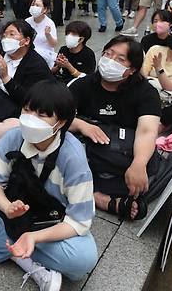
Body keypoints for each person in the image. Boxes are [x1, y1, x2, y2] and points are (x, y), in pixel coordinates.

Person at [0, 81, 98, 291]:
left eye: (42, 115)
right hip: (14, 206)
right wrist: (6, 207)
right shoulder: (13, 137)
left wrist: (33, 237)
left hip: (49, 220)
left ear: (60, 122)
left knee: (84, 260)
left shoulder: (74, 159)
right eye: (27, 110)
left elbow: (78, 221)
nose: (31, 119)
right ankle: (24, 261)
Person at [69, 36, 161, 220]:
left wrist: (138, 163)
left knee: (148, 169)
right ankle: (99, 198)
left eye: (120, 59)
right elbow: (54, 116)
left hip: (122, 150)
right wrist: (82, 124)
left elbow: (147, 131)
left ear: (132, 69)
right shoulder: (84, 84)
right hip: (87, 146)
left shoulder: (146, 92)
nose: (110, 61)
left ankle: (84, 191)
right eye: (107, 54)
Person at [0, 21, 54, 147]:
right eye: (5, 35)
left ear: (26, 41)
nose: (7, 39)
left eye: (12, 34)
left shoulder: (36, 65)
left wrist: (6, 78)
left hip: (12, 115)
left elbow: (30, 101)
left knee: (10, 128)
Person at [25, 0, 58, 68]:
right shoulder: (27, 21)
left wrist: (48, 35)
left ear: (45, 9)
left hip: (45, 54)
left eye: (37, 5)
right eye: (33, 5)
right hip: (29, 52)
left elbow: (54, 44)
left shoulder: (49, 23)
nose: (34, 7)